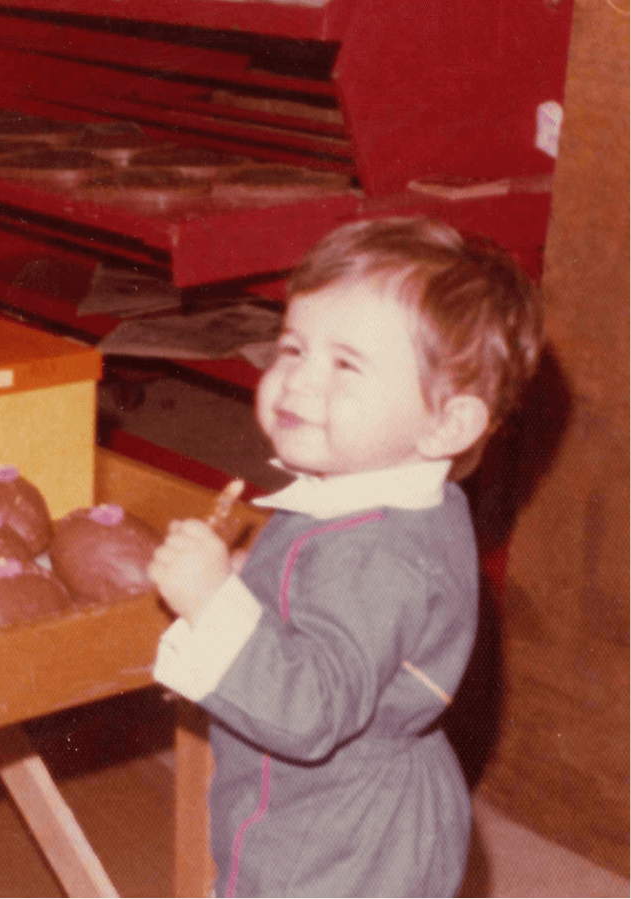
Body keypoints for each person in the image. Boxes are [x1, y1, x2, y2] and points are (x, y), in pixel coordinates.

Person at [148, 217, 543, 898]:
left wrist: (214, 607)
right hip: (349, 812)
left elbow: (307, 709)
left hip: (336, 847)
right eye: (292, 348)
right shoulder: (385, 491)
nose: (297, 381)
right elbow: (335, 611)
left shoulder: (379, 554)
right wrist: (251, 585)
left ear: (445, 424)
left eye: (344, 365)